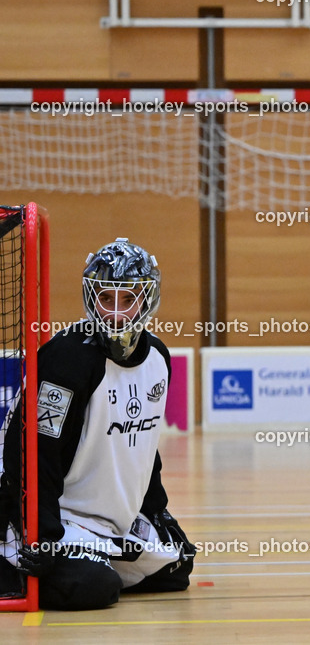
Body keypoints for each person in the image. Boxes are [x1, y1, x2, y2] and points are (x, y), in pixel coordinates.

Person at [0, 238, 194, 610]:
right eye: (107, 299)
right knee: (96, 587)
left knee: (177, 567)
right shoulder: (66, 359)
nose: (117, 313)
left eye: (128, 299)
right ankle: (16, 559)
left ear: (147, 299)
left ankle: (94, 557)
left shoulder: (158, 357)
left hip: (110, 521)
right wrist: (44, 535)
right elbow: (34, 454)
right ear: (92, 299)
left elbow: (144, 450)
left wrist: (157, 510)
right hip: (62, 516)